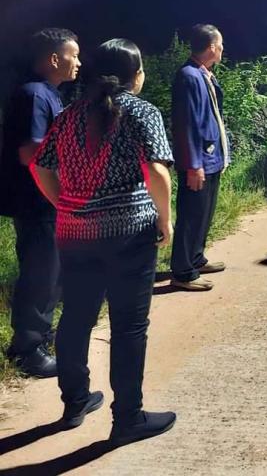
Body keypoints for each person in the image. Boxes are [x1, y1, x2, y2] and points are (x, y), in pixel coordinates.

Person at [31, 38, 176, 442]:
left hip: (74, 233)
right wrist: (166, 220)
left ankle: (75, 401)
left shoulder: (69, 115)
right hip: (128, 233)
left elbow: (40, 167)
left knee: (76, 317)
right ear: (135, 75)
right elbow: (158, 172)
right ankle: (127, 418)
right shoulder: (141, 111)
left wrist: (68, 204)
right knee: (129, 325)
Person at [0, 28, 80, 378]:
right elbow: (30, 153)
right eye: (73, 55)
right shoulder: (35, 95)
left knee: (50, 272)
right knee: (40, 273)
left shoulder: (49, 94)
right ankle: (28, 350)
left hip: (45, 202)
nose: (79, 62)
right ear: (54, 58)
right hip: (37, 203)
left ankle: (39, 338)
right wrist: (61, 196)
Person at [170, 24, 228, 290]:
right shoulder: (189, 77)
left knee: (204, 213)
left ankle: (196, 258)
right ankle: (183, 272)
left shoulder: (203, 74)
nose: (223, 49)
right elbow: (187, 124)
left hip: (211, 158)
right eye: (220, 44)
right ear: (212, 47)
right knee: (191, 215)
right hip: (199, 161)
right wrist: (193, 165)